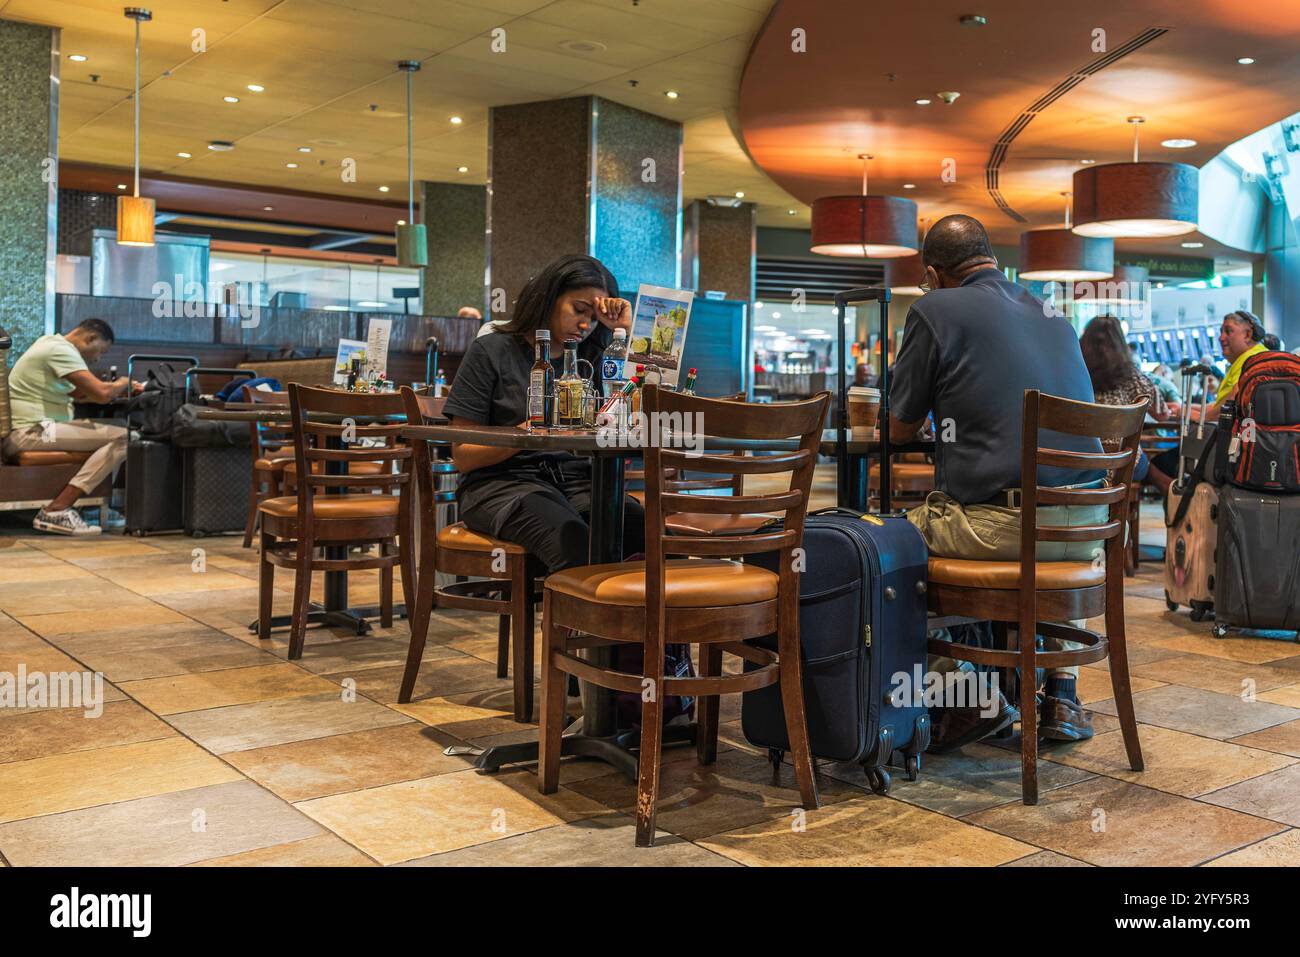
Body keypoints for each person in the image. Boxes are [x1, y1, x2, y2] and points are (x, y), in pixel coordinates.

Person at [888, 214, 1109, 751]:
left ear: (934, 273)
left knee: (884, 545)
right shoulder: (1053, 313)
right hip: (1089, 526)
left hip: (1005, 527)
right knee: (1028, 538)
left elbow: (898, 427)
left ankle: (972, 697)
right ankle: (1061, 692)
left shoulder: (933, 308)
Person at [443, 254, 644, 574]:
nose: (585, 325)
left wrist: (624, 332)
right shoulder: (492, 350)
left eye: (594, 319)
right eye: (579, 310)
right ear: (549, 298)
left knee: (649, 537)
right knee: (575, 545)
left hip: (581, 482)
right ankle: (575, 622)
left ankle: (619, 622)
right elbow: (464, 455)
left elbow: (638, 407)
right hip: (502, 486)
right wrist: (527, 433)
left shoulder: (595, 357)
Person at [2, 318, 140, 535]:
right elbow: (102, 394)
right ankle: (58, 508)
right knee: (128, 437)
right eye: (100, 351)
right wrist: (123, 383)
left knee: (120, 427)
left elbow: (82, 394)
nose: (97, 358)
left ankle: (93, 502)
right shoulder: (60, 350)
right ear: (90, 338)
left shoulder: (50, 343)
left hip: (41, 428)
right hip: (32, 431)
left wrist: (118, 390)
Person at [1147, 311, 1268, 488]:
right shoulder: (1254, 358)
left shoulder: (1250, 363)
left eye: (1228, 331)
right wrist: (1185, 406)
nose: (1221, 337)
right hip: (1248, 444)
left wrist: (1183, 411)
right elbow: (1219, 406)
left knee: (1164, 465)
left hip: (1232, 448)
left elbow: (1220, 412)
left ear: (1248, 334)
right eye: (1221, 331)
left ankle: (1181, 508)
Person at [1079, 315, 1172, 492]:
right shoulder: (1132, 375)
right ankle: (1170, 492)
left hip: (1079, 462)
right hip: (1122, 464)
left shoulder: (1075, 370)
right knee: (1138, 457)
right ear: (1121, 342)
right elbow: (1162, 414)